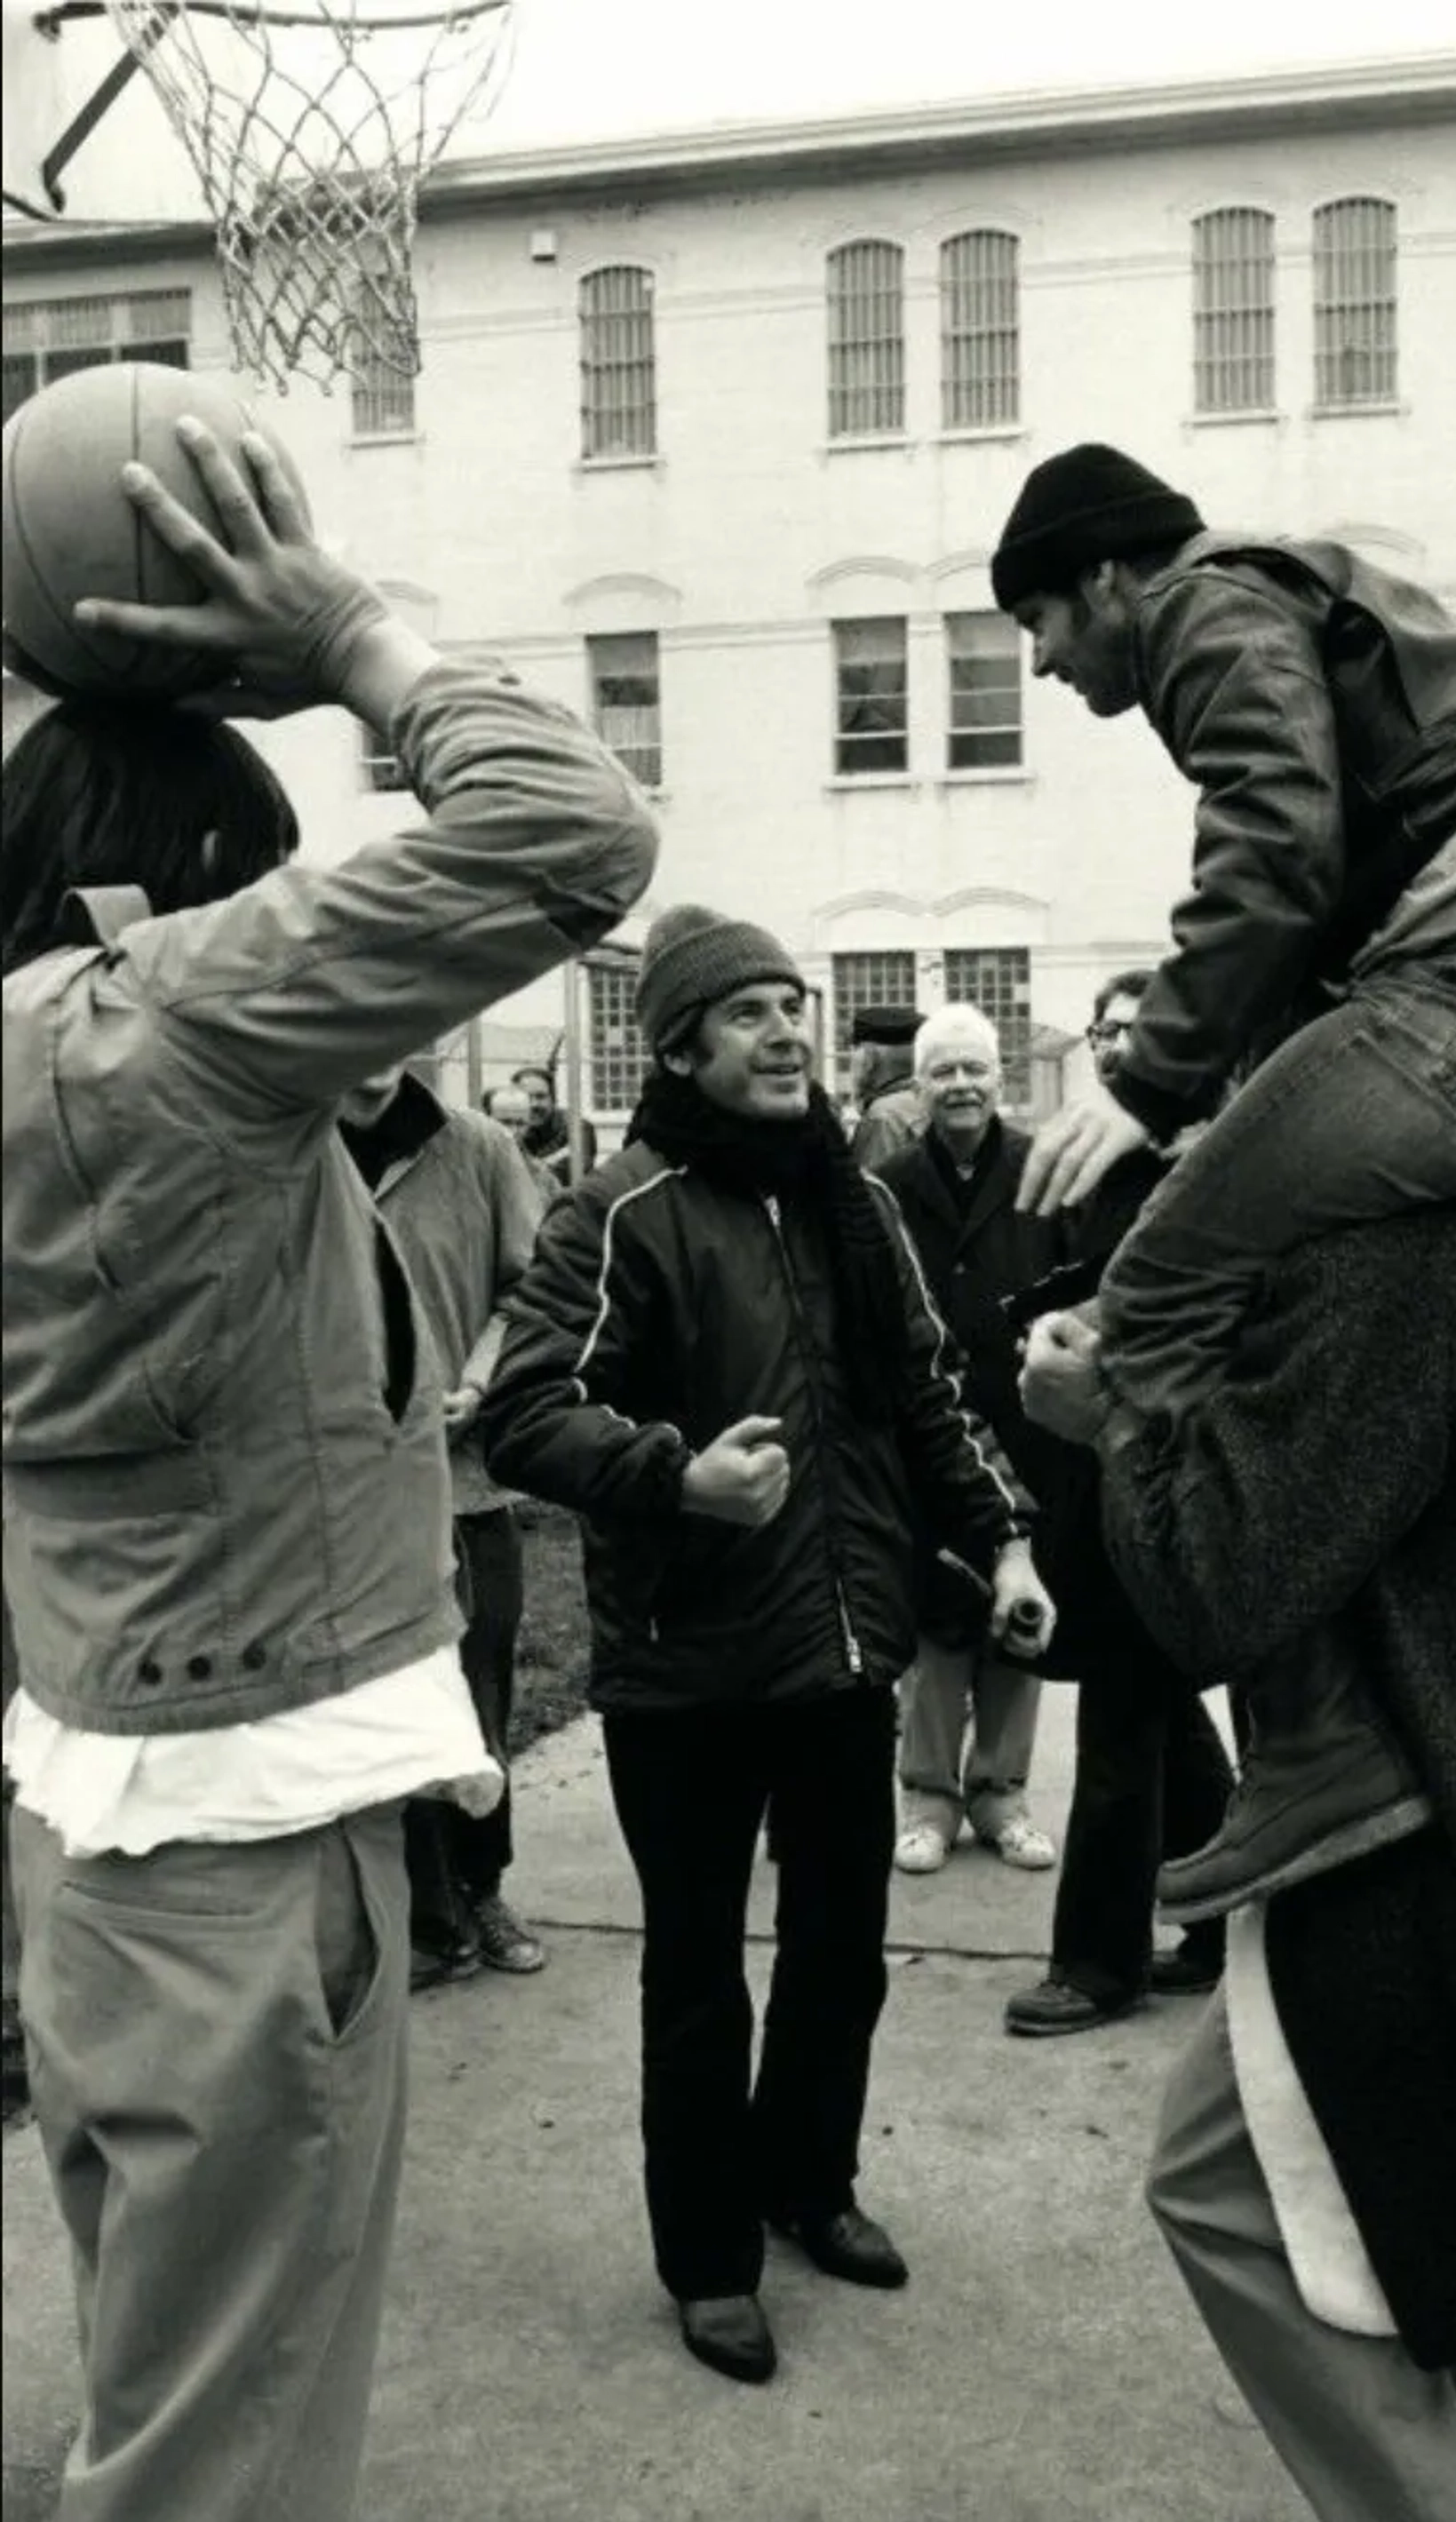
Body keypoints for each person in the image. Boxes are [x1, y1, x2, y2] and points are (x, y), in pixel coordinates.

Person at [1, 416, 656, 2522]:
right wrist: (347, 637)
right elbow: (571, 829)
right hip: (252, 1850)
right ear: (181, 901)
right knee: (228, 2470)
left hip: (98, 1822)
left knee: (162, 2407)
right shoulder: (166, 1033)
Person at [991, 438, 1456, 1921]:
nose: (1047, 661)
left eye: (1043, 620)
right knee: (1313, 1262)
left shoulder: (1205, 601)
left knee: (1170, 1279)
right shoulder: (1322, 608)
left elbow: (1274, 844)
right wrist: (1235, 1120)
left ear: (1112, 576)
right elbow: (1334, 910)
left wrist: (1145, 1081)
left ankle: (1314, 1735)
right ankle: (1411, 1681)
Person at [1019, 1184, 1456, 2522]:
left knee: (1222, 2191)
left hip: (1394, 1813)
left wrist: (1108, 1416)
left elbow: (1223, 1586)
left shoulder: (1378, 1258)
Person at [481, 904, 1053, 2388]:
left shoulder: (855, 1202)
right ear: (678, 1043)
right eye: (746, 1011)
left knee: (839, 1951)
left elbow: (928, 1393)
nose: (787, 1029)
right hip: (686, 1672)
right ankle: (709, 2255)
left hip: (842, 1657)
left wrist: (1004, 1542)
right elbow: (529, 1408)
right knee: (694, 1971)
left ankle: (809, 2179)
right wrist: (680, 1472)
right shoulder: (619, 1207)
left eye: (791, 1004)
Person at [999, 973, 1234, 2032]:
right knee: (1156, 1706)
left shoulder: (1217, 1157)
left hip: (1166, 1460)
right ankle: (1231, 1914)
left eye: (1143, 1031)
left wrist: (1083, 1327)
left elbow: (1189, 1296)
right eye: (1107, 1030)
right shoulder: (1092, 1160)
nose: (1120, 1048)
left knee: (1123, 1716)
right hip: (1087, 1460)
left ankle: (1098, 1962)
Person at [338, 1064, 550, 1989]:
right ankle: (425, 1920)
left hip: (467, 1489)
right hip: (341, 1495)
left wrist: (479, 1379)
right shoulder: (285, 1142)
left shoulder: (480, 1148)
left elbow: (536, 1289)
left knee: (477, 1694)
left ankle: (484, 1886)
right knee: (377, 1708)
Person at [877, 1003, 1057, 1874]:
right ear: (918, 1087)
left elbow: (1079, 1268)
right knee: (939, 1614)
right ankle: (928, 1799)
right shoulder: (888, 1178)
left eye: (974, 1068)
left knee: (1021, 1612)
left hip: (1028, 1419)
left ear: (1000, 1077)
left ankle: (1001, 1795)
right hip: (928, 1422)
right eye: (943, 1070)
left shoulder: (1038, 1169)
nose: (960, 1084)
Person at [847, 1002, 926, 1166]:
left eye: (855, 1050)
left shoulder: (883, 1117)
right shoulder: (930, 1102)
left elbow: (871, 1189)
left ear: (869, 1059)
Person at [512, 1060, 570, 1164]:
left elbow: (560, 1173)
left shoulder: (576, 1127)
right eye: (526, 1097)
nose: (534, 1104)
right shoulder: (511, 1129)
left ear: (554, 1099)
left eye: (540, 1096)